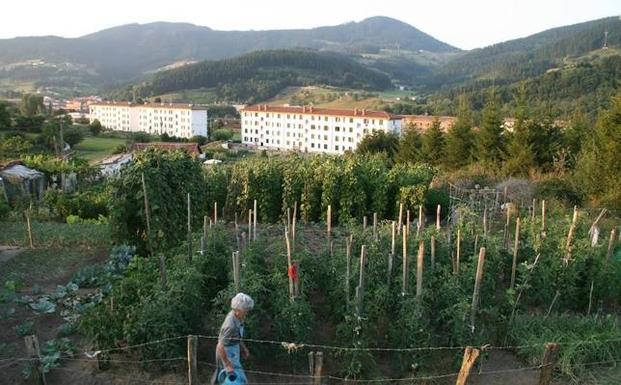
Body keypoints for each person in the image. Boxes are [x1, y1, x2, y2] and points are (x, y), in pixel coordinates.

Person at [214, 293, 254, 384]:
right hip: (226, 352)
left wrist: (243, 348)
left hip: (233, 350)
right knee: (238, 380)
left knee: (227, 380)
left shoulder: (238, 317)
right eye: (246, 310)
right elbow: (220, 346)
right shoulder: (230, 325)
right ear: (238, 310)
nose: (247, 312)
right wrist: (228, 364)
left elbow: (237, 335)